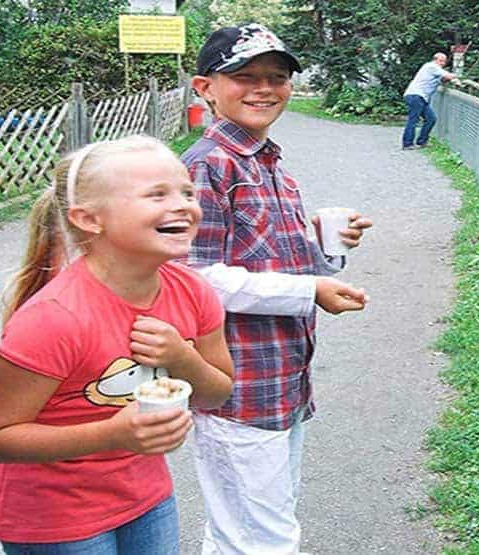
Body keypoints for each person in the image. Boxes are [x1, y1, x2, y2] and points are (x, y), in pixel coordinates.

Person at [0, 135, 236, 553]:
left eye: (186, 192)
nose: (183, 205)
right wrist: (112, 434)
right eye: (156, 194)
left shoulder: (193, 291)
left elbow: (219, 392)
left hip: (146, 495)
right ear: (89, 219)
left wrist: (183, 359)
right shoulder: (55, 317)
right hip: (53, 516)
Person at [184, 23, 374, 554]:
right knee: (264, 537)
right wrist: (309, 291)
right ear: (206, 87)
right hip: (238, 383)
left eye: (277, 77)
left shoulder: (272, 165)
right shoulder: (208, 167)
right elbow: (197, 278)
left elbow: (282, 263)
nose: (264, 88)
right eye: (244, 77)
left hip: (285, 377)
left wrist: (328, 249)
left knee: (245, 523)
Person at [401, 52, 460, 150]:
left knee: (431, 119)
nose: (442, 63)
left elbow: (443, 79)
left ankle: (421, 142)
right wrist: (457, 78)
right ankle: (407, 144)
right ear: (435, 59)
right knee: (413, 120)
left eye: (444, 61)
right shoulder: (431, 66)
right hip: (416, 96)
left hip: (421, 97)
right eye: (440, 61)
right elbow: (448, 75)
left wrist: (449, 79)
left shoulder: (436, 70)